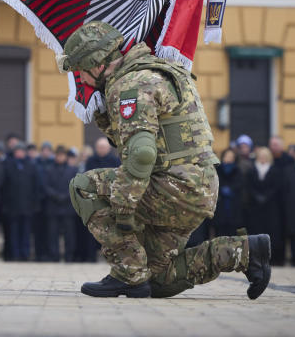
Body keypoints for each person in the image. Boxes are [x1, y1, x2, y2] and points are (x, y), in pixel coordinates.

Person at [58, 21, 270, 299]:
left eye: (79, 71)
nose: (80, 79)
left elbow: (142, 152)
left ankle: (127, 274)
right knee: (157, 279)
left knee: (83, 186)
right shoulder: (157, 71)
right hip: (197, 187)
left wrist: (124, 205)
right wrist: (105, 118)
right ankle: (244, 252)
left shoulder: (130, 85)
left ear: (96, 64)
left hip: (175, 188)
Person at [244, 147, 284, 266]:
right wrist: (257, 196)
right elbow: (249, 186)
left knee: (271, 232)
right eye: (260, 156)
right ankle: (255, 258)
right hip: (255, 207)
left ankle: (270, 258)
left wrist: (266, 197)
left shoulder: (275, 170)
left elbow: (276, 187)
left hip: (270, 207)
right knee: (256, 232)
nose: (262, 158)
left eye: (265, 156)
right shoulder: (252, 170)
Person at [1, 142, 36, 261]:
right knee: (13, 232)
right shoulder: (8, 165)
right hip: (12, 206)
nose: (19, 153)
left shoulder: (31, 165)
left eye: (22, 151)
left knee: (26, 232)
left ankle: (25, 254)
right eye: (17, 151)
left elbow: (36, 186)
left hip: (27, 205)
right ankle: (14, 254)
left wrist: (34, 204)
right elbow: (4, 186)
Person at [43, 145, 78, 262]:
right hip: (53, 206)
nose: (60, 157)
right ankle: (54, 256)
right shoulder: (49, 169)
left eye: (62, 155)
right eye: (58, 155)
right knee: (52, 234)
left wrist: (66, 196)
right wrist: (56, 196)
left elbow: (75, 186)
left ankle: (69, 256)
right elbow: (46, 187)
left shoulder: (73, 170)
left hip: (68, 207)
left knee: (69, 234)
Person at [212, 148, 245, 239]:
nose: (228, 158)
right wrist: (222, 190)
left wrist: (231, 190)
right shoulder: (217, 170)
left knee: (233, 237)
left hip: (233, 208)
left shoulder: (238, 171)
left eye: (231, 156)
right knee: (219, 237)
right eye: (227, 156)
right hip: (220, 207)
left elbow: (240, 185)